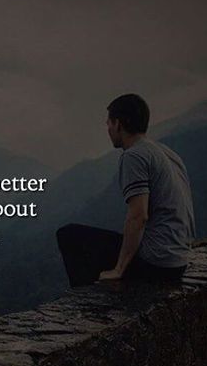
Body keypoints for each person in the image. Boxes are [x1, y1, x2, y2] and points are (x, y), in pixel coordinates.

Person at [56, 94, 195, 286]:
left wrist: (119, 269)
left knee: (68, 235)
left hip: (157, 263)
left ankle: (85, 303)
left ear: (119, 124)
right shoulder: (167, 153)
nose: (108, 129)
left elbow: (138, 215)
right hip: (178, 261)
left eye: (109, 123)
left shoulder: (134, 155)